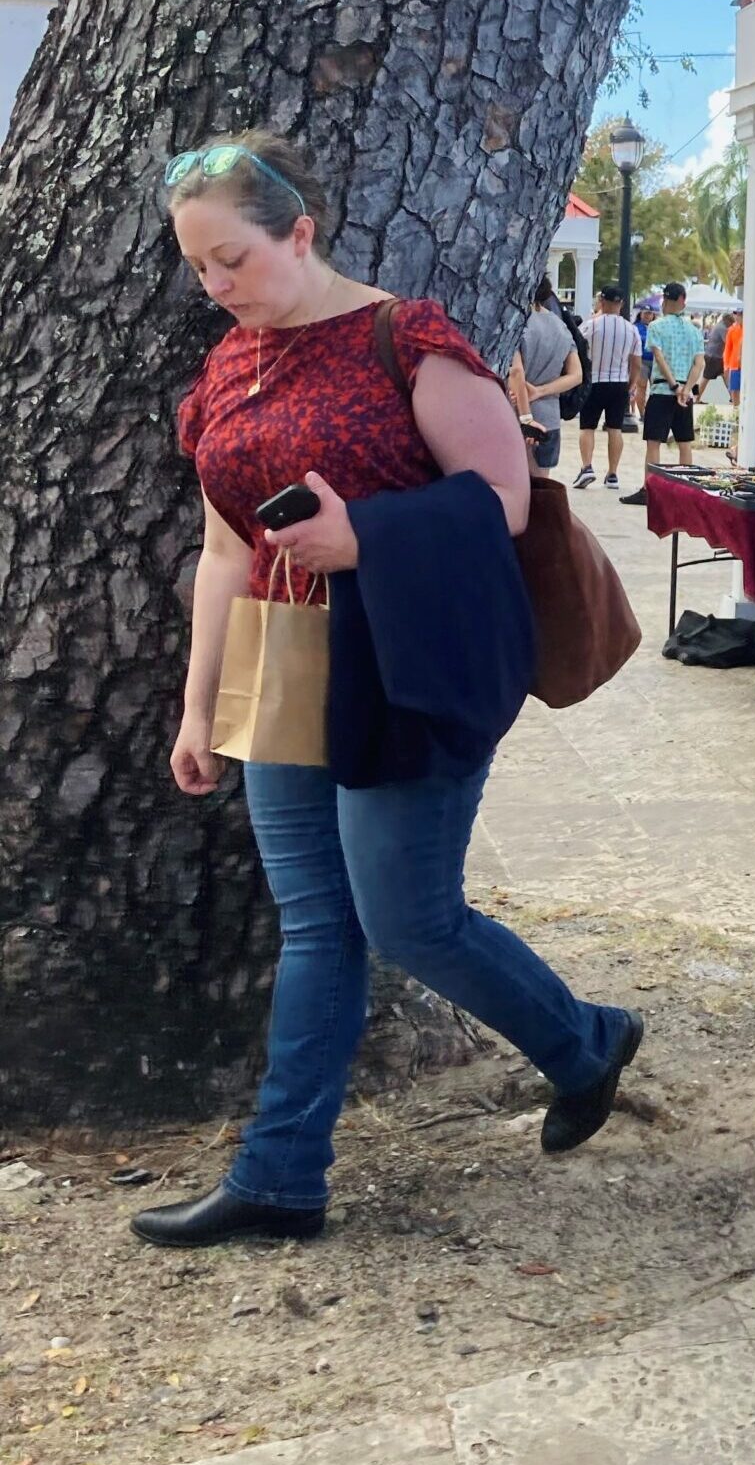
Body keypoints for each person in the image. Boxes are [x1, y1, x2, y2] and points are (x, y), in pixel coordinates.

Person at [146, 132, 644, 1250]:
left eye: (233, 259)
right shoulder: (230, 369)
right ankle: (279, 1176)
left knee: (409, 918)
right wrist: (198, 707)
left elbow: (503, 500)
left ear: (302, 231)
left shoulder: (403, 337)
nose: (218, 288)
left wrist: (358, 534)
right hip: (284, 663)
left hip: (409, 662)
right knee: (319, 922)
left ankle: (583, 1041)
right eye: (201, 270)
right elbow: (225, 553)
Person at [507, 276, 581, 478]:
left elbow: (516, 372)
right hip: (550, 417)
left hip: (515, 415)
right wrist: (541, 391)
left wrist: (525, 416)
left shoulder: (516, 323)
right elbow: (576, 375)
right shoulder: (561, 327)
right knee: (542, 485)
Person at [638, 281, 705, 490]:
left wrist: (674, 385)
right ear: (683, 301)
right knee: (684, 442)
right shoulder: (694, 330)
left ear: (665, 300)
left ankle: (652, 489)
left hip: (661, 390)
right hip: (685, 394)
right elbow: (699, 363)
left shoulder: (656, 326)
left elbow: (659, 358)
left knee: (654, 442)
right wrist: (685, 389)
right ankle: (686, 489)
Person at [574, 287, 641, 490]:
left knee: (587, 427)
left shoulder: (590, 326)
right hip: (619, 383)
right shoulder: (631, 329)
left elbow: (576, 351)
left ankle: (587, 467)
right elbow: (636, 362)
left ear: (602, 302)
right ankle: (612, 474)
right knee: (615, 429)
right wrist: (632, 384)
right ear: (620, 304)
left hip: (593, 382)